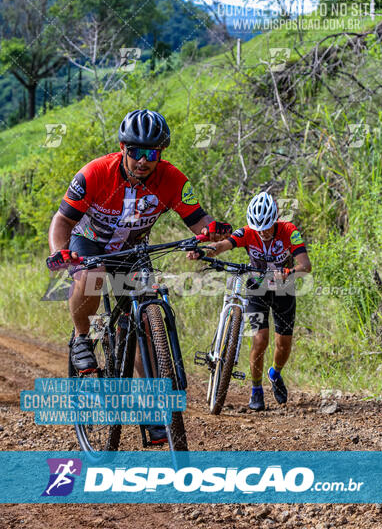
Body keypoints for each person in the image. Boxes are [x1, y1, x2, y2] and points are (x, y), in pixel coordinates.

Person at [46, 109, 232, 442]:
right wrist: (62, 252)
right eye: (135, 152)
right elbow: (61, 221)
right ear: (122, 148)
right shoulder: (95, 173)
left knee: (146, 319)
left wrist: (211, 239)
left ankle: (153, 411)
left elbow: (200, 222)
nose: (143, 161)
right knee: (93, 276)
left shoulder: (173, 180)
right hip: (90, 243)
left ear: (161, 155)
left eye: (152, 154)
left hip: (134, 250)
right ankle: (81, 337)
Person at [192, 191, 311, 410]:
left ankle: (274, 374)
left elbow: (305, 265)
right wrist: (203, 251)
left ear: (275, 219)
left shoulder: (289, 231)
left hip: (284, 290)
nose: (263, 232)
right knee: (259, 340)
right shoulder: (248, 232)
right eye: (258, 228)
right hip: (257, 289)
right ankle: (256, 390)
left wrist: (289, 272)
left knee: (283, 346)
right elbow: (224, 245)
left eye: (267, 226)